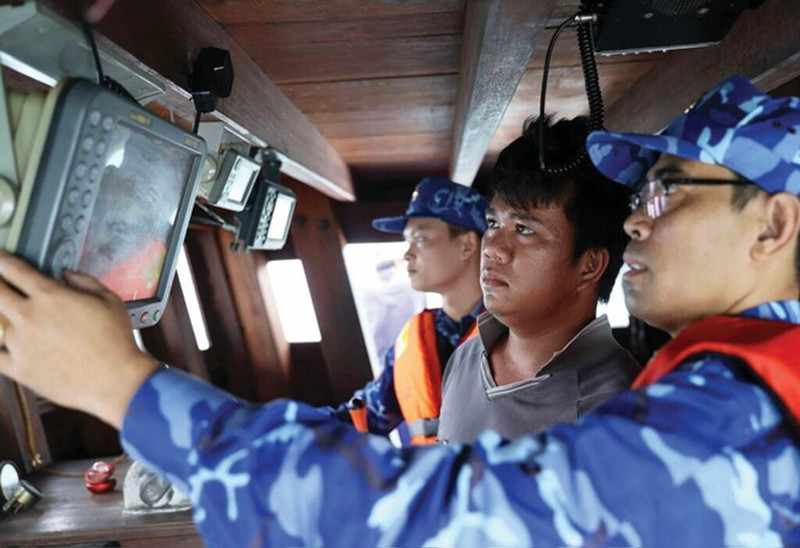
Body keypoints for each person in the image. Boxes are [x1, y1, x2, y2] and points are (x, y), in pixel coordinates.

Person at [1, 74, 799, 547]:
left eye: (667, 192)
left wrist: (119, 386)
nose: (637, 218)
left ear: (774, 224)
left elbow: (442, 519)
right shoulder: (734, 394)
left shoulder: (736, 422)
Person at [437, 116, 640, 443]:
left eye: (524, 229)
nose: (492, 248)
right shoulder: (465, 357)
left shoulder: (615, 407)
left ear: (589, 266)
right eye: (492, 223)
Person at [327, 176, 486, 444]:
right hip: (431, 482)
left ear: (467, 245)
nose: (407, 254)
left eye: (420, 238)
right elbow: (361, 418)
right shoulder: (414, 338)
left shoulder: (521, 333)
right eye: (407, 241)